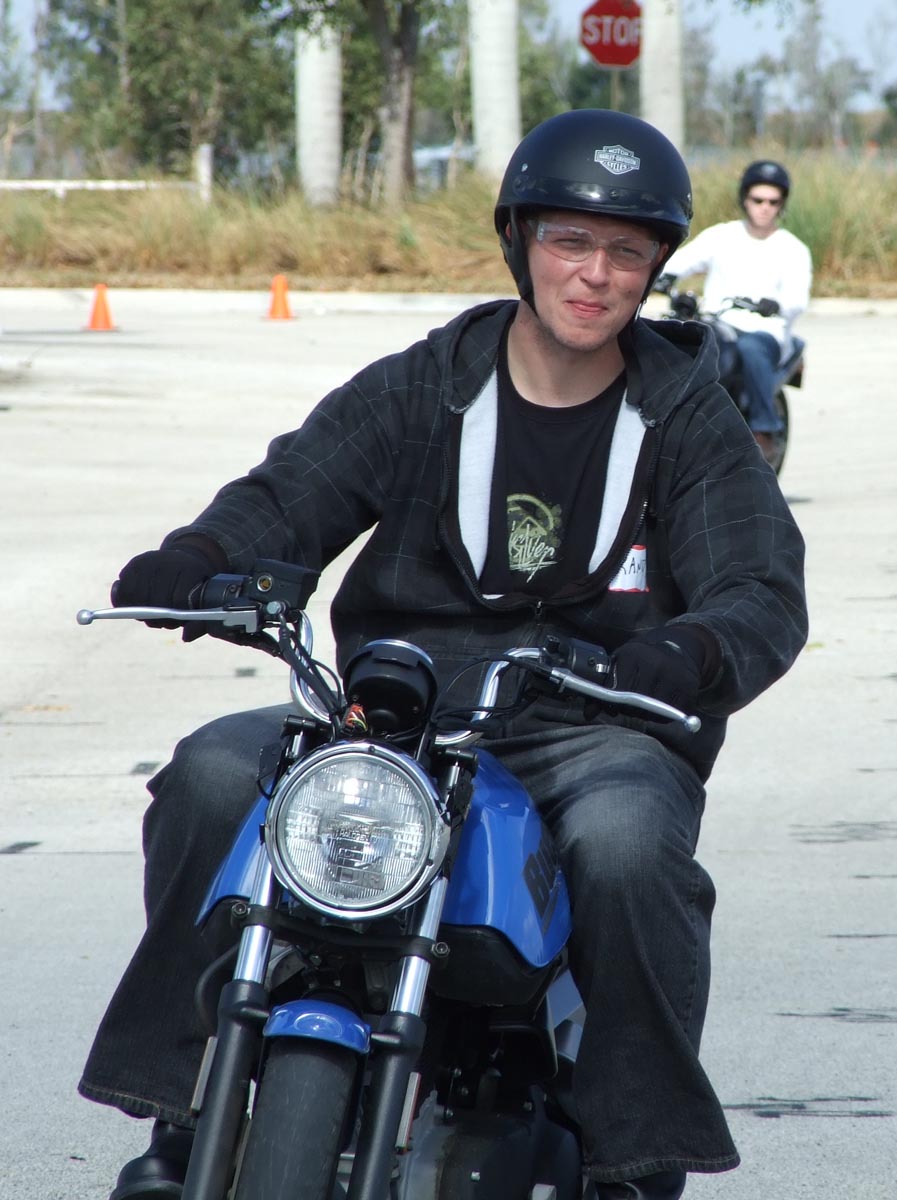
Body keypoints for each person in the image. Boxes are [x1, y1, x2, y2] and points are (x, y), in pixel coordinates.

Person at [79, 110, 808, 1200]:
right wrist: (201, 557)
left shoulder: (686, 413)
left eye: (625, 251)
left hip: (590, 725)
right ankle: (187, 1116)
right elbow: (293, 489)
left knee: (628, 846)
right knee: (211, 772)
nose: (594, 273)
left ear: (656, 265)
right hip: (396, 717)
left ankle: (634, 1156)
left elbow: (760, 586)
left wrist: (687, 649)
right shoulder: (426, 383)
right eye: (570, 240)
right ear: (519, 240)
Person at [660, 159, 812, 465]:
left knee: (750, 348)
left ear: (782, 204)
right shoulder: (722, 236)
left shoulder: (793, 248)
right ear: (745, 198)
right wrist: (662, 275)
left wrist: (777, 305)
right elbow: (680, 262)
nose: (765, 208)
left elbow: (798, 298)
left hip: (765, 331)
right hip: (718, 323)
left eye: (773, 202)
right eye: (758, 200)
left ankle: (764, 430)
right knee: (671, 339)